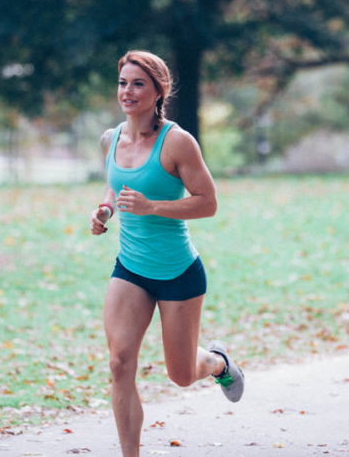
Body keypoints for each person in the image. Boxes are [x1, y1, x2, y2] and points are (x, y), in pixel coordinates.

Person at [89, 50, 244, 456]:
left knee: (180, 375)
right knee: (120, 362)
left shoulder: (177, 142)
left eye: (138, 83)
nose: (128, 91)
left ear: (159, 91)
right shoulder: (110, 139)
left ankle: (218, 363)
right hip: (131, 270)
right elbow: (114, 186)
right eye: (123, 82)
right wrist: (105, 210)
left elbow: (208, 202)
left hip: (178, 272)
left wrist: (153, 207)